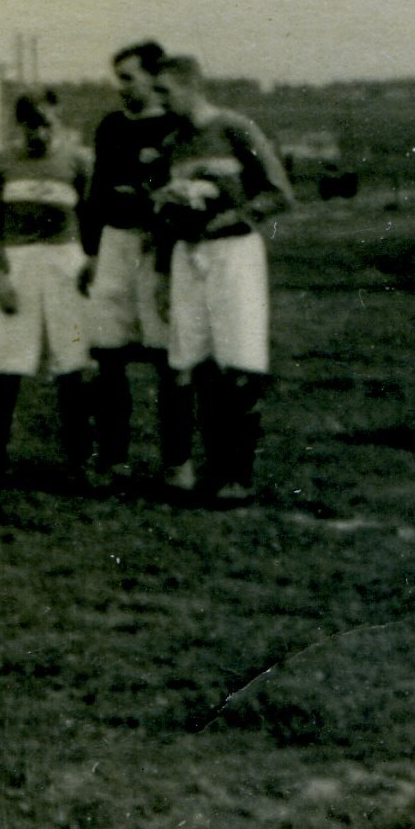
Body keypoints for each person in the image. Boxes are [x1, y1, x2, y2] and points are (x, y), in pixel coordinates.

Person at [149, 53, 295, 504]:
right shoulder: (172, 143)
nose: (160, 101)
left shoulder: (235, 129)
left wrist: (235, 216)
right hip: (188, 256)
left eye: (165, 91)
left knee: (239, 358)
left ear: (191, 86)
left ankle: (236, 476)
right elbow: (164, 215)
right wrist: (164, 257)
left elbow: (279, 192)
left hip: (234, 254)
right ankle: (182, 470)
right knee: (185, 360)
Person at [0, 88, 92, 487]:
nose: (39, 133)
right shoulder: (1, 163)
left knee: (72, 360)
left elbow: (92, 219)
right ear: (19, 125)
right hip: (16, 264)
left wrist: (89, 264)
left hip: (66, 264)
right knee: (2, 362)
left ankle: (79, 462)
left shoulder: (78, 162)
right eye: (31, 125)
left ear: (58, 121)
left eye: (47, 124)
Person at [78, 40, 180, 486]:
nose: (120, 87)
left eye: (128, 78)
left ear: (154, 78)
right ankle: (113, 458)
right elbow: (98, 191)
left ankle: (175, 463)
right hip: (114, 245)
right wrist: (90, 251)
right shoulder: (111, 126)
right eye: (117, 78)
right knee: (108, 353)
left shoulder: (175, 125)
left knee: (167, 355)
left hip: (157, 248)